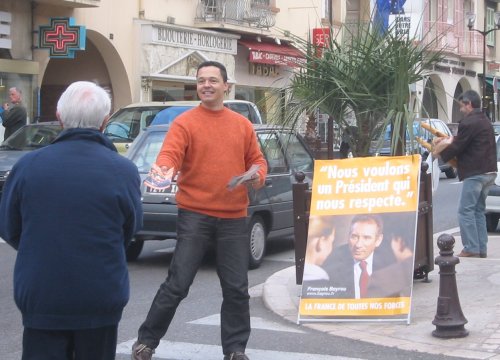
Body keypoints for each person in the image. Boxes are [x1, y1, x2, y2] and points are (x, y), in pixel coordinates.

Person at [132, 61, 267, 360]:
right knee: (177, 284)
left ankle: (235, 351)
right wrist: (164, 169)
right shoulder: (185, 123)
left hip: (233, 216)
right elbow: (170, 153)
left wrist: (256, 175)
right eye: (201, 80)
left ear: (226, 86)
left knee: (236, 288)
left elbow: (257, 161)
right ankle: (146, 342)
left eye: (212, 80)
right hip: (194, 214)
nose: (206, 85)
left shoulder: (242, 125)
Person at [0, 81, 143, 360]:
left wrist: (40, 246)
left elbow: (9, 227)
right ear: (105, 121)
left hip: (42, 294)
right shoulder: (123, 170)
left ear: (60, 116)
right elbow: (130, 230)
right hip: (100, 294)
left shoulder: (28, 167)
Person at [433, 90, 497, 258]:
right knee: (478, 210)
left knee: (465, 211)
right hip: (489, 172)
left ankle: (470, 247)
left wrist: (439, 154)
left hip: (475, 172)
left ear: (469, 104)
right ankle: (481, 248)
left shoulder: (469, 122)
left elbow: (458, 145)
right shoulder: (485, 120)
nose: (461, 110)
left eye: (462, 106)